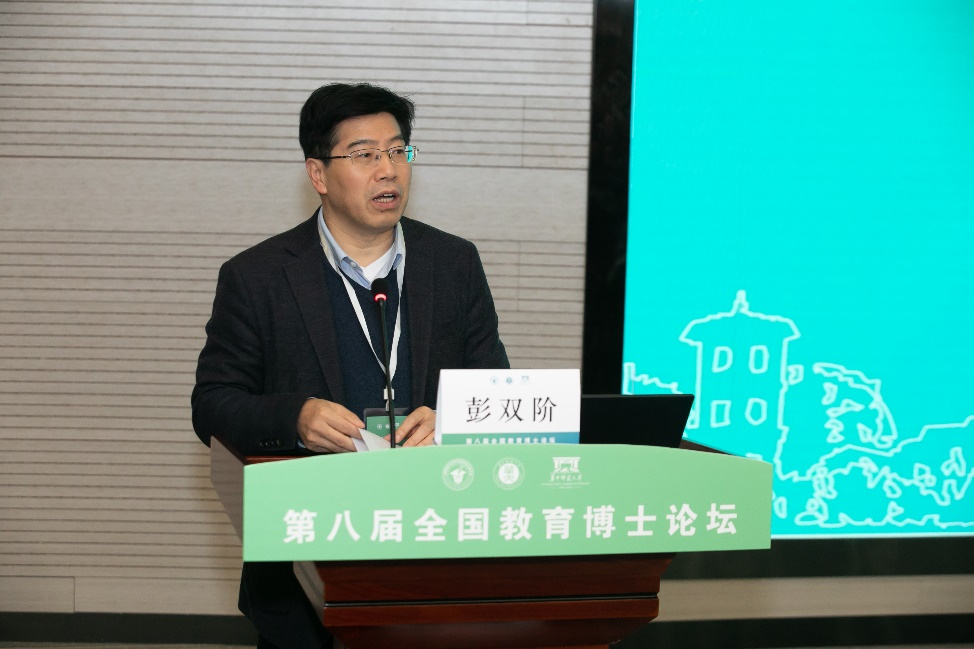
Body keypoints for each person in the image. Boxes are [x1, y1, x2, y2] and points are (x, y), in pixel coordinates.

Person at [191, 82, 509, 649]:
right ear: (318, 173)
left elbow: (498, 392)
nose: (388, 170)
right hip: (309, 561)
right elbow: (212, 404)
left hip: (438, 555)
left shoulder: (454, 263)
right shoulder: (257, 277)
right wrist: (294, 416)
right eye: (364, 155)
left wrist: (456, 421)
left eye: (398, 150)